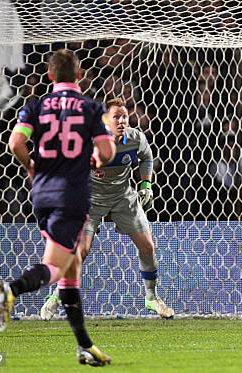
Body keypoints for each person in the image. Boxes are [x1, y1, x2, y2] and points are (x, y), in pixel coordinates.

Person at [0, 49, 115, 366]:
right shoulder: (90, 108)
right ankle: (11, 289)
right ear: (79, 76)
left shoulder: (35, 105)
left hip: (41, 194)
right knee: (56, 267)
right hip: (71, 196)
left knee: (71, 268)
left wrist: (31, 167)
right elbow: (106, 150)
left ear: (49, 76)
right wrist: (98, 159)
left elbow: (15, 144)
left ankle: (85, 346)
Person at [40, 98, 174, 320]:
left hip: (123, 196)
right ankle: (56, 297)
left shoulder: (135, 138)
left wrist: (146, 184)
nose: (122, 120)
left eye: (125, 116)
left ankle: (151, 298)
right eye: (116, 117)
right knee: (80, 252)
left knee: (148, 247)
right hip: (91, 200)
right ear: (105, 120)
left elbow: (147, 157)